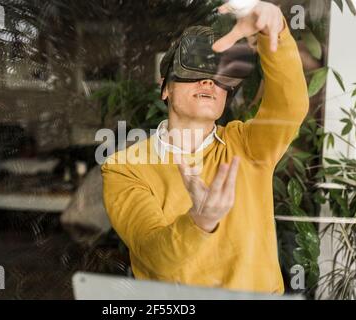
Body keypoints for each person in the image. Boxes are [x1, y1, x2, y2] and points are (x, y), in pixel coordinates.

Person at [101, 1, 309, 294]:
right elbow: (154, 255)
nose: (207, 82)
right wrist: (200, 222)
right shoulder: (126, 167)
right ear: (165, 88)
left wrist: (274, 32)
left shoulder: (248, 146)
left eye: (219, 77)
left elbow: (290, 106)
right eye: (192, 71)